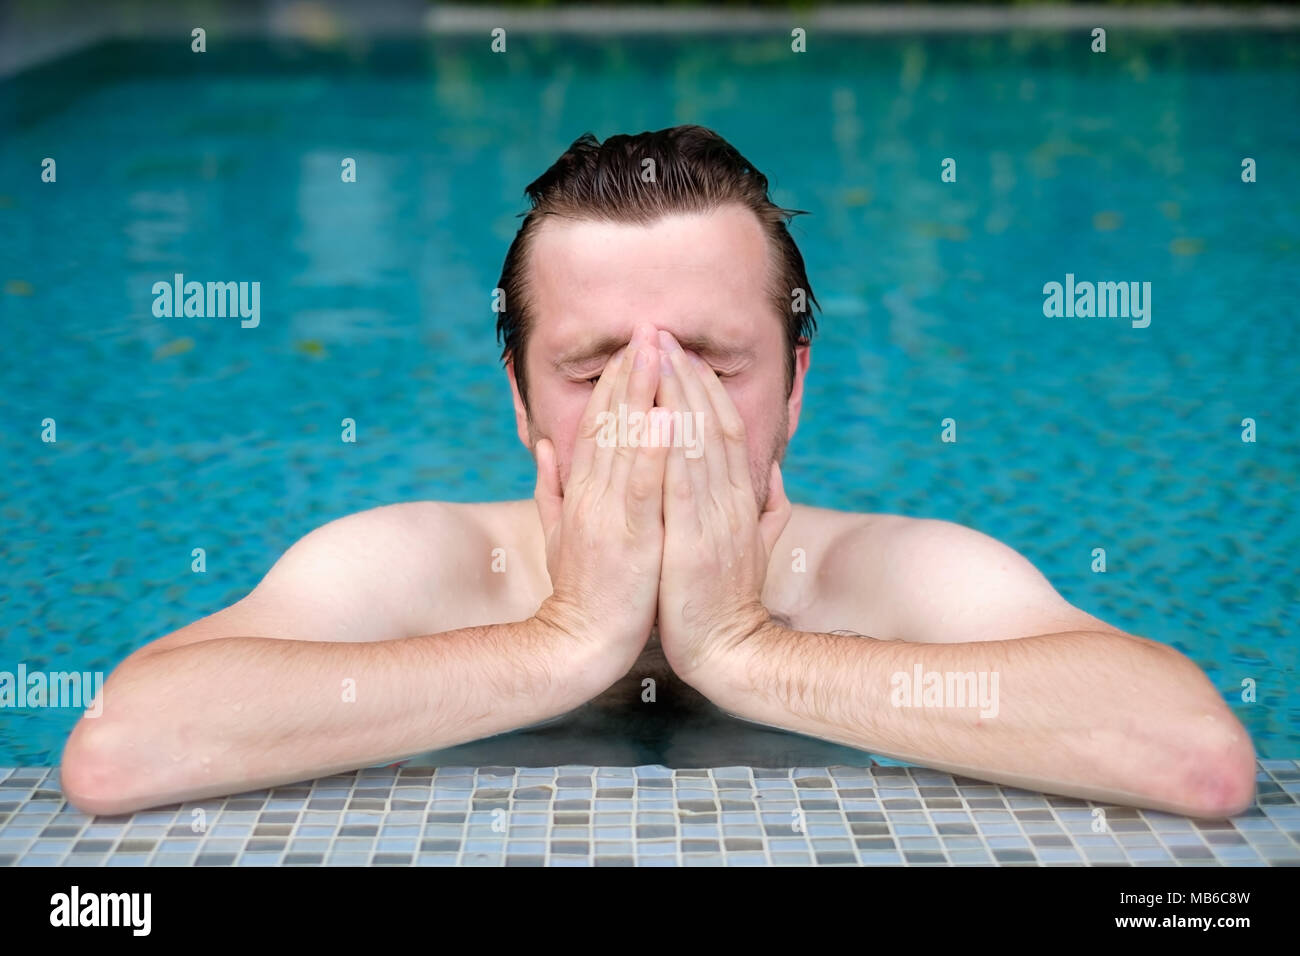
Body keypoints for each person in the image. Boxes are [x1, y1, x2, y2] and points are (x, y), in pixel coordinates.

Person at [61, 126, 1255, 818]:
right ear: (520, 396)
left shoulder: (896, 574)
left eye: (711, 364)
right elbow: (121, 749)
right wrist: (565, 638)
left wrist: (745, 643)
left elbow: (1193, 754)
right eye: (592, 371)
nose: (656, 411)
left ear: (795, 384)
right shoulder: (411, 563)